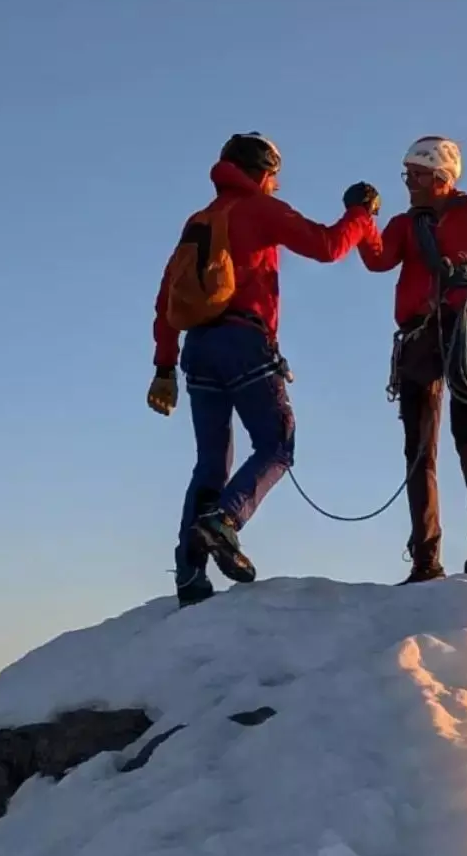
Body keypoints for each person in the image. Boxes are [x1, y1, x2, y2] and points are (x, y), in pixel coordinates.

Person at [149, 133, 381, 605]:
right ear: (261, 172)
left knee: (211, 461)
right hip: (246, 343)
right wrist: (361, 212)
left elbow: (167, 297)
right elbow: (326, 246)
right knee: (277, 444)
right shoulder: (259, 208)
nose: (276, 184)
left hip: (199, 349)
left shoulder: (200, 220)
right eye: (274, 175)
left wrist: (164, 367)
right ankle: (224, 521)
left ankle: (189, 579)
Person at [358, 136, 467, 582]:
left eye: (415, 174)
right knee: (419, 448)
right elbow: (378, 261)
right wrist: (360, 218)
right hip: (418, 336)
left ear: (440, 177)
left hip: (463, 331)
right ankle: (425, 560)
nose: (408, 182)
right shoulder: (403, 224)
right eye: (407, 174)